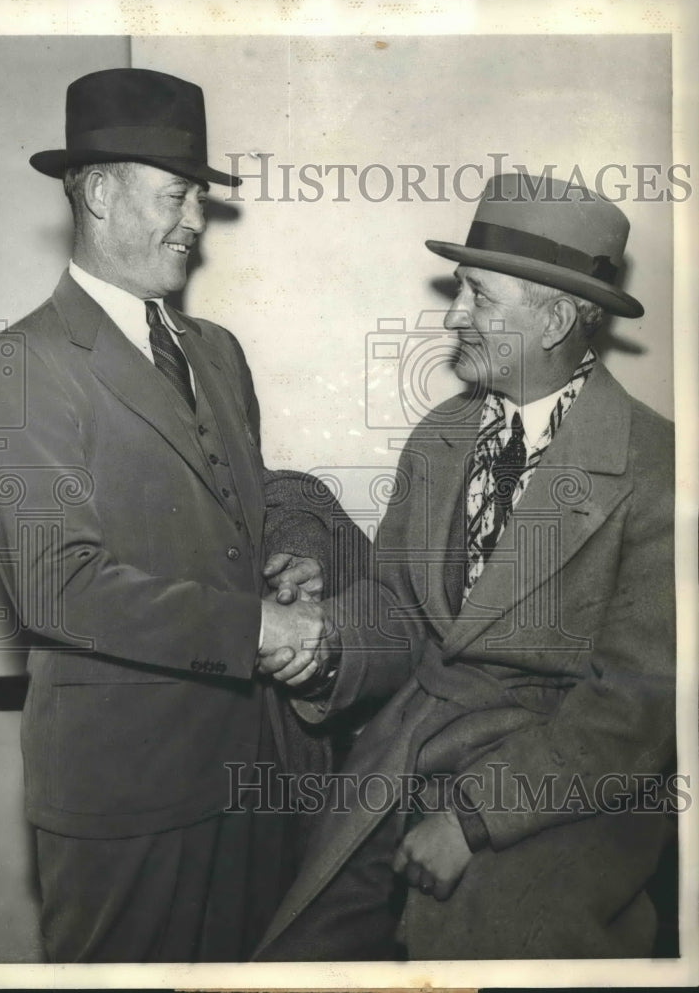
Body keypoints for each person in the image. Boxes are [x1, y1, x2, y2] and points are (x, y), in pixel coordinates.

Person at [0, 67, 341, 963]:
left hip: (259, 779)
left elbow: (239, 505)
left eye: (198, 199)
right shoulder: (22, 365)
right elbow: (60, 587)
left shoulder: (217, 352)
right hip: (127, 802)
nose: (195, 221)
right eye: (177, 195)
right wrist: (257, 626)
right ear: (97, 192)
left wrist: (282, 556)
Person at [255, 173, 676, 961]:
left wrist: (473, 818)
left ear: (553, 317)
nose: (452, 317)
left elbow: (633, 710)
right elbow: (396, 607)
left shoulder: (659, 470)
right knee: (298, 955)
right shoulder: (439, 437)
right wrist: (325, 640)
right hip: (403, 754)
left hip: (554, 795)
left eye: (478, 297)